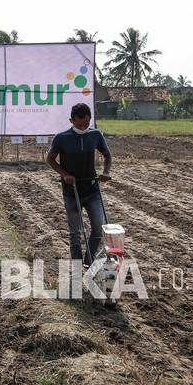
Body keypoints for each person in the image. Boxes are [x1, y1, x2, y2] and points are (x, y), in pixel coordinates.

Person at [46, 103, 112, 266]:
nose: (83, 127)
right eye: (79, 124)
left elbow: (107, 155)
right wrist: (65, 174)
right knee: (75, 232)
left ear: (90, 120)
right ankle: (76, 264)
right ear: (71, 120)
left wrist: (106, 172)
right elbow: (50, 159)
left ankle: (89, 260)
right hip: (71, 190)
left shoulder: (96, 135)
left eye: (86, 124)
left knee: (98, 226)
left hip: (91, 189)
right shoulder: (62, 138)